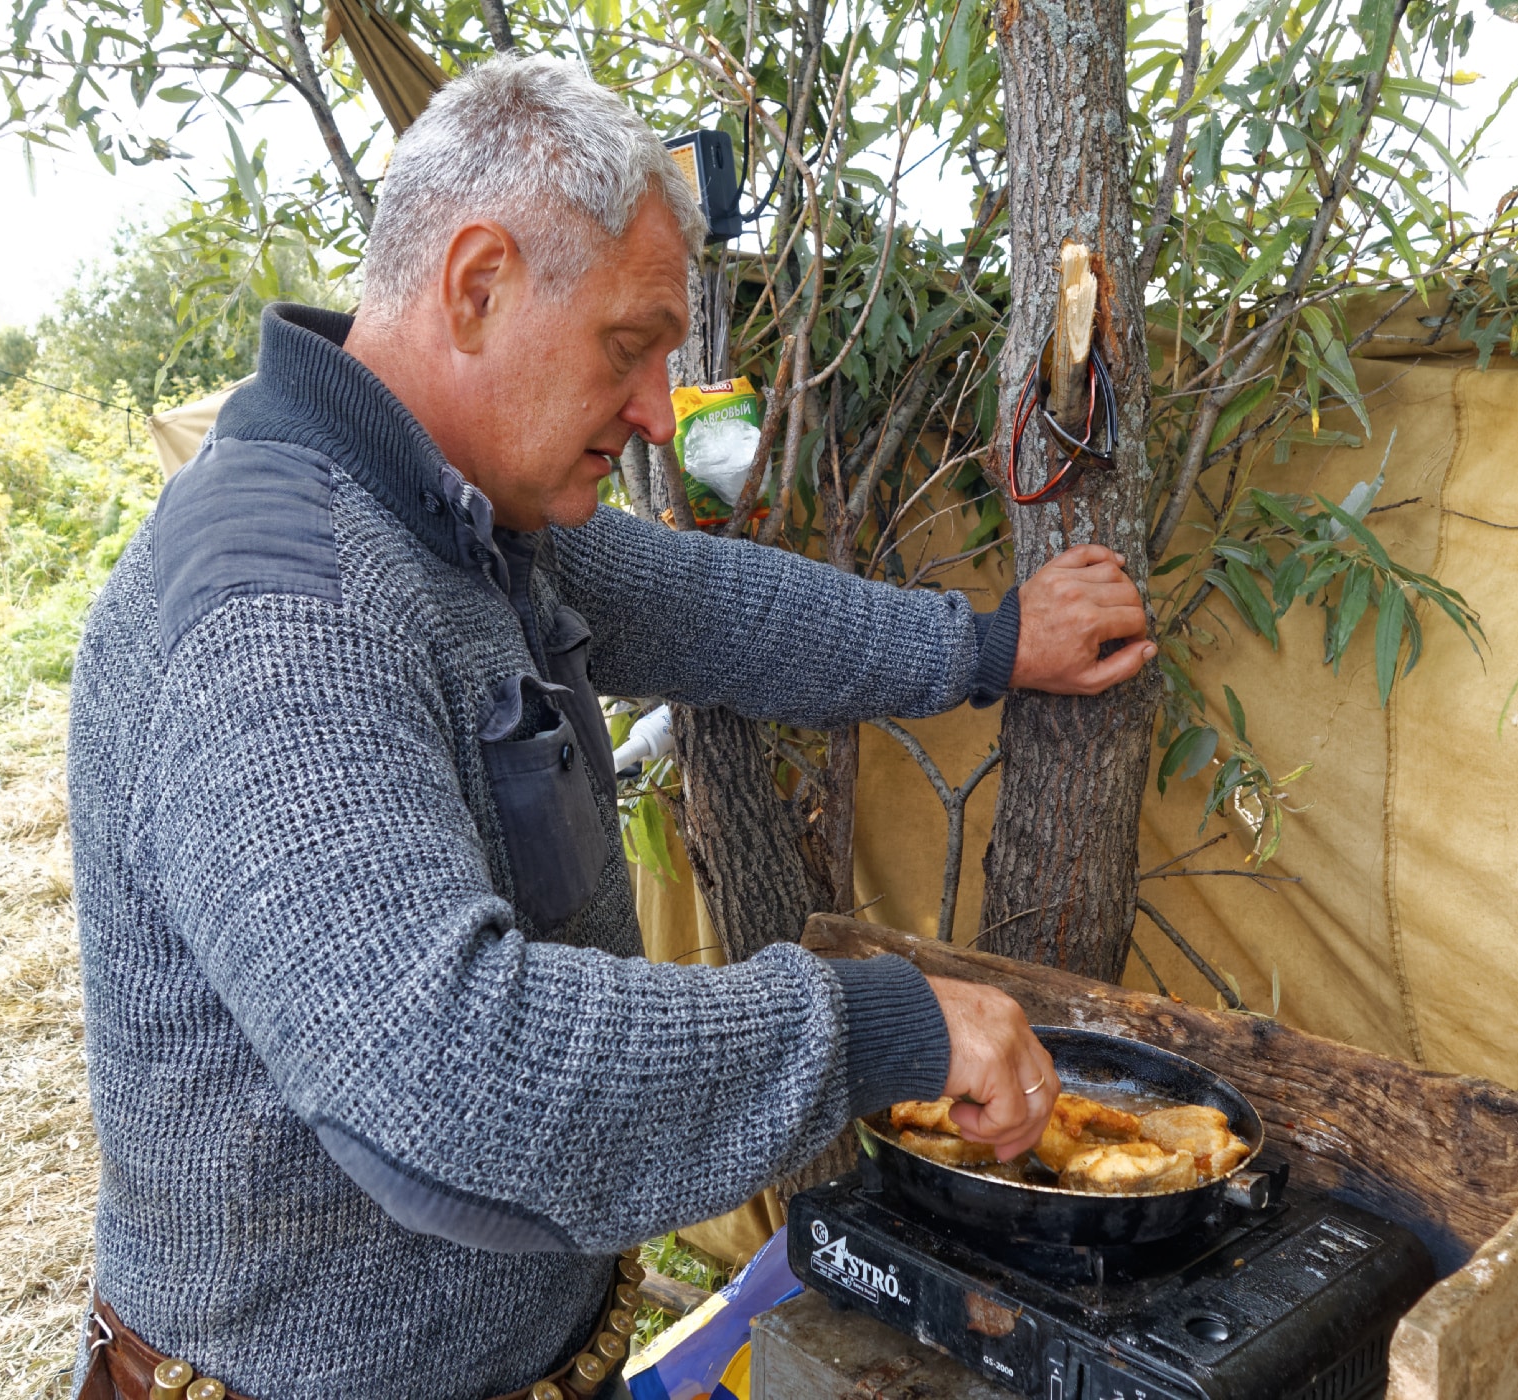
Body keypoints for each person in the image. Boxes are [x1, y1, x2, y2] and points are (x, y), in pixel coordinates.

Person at [66, 52, 1155, 1400]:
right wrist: (882, 1027)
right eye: (629, 348)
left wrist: (990, 647)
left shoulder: (445, 509)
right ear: (477, 287)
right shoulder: (284, 608)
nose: (654, 410)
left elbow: (703, 605)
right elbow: (454, 1074)